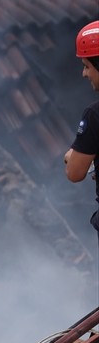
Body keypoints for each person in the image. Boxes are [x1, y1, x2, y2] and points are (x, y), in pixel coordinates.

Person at [64, 20, 99, 241]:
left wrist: (70, 155)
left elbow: (75, 173)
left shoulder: (94, 115)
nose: (84, 74)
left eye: (87, 66)